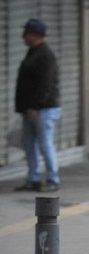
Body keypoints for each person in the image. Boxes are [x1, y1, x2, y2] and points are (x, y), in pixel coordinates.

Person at [14, 19, 61, 192]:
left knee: (45, 144)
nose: (23, 36)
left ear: (36, 35)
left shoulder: (44, 55)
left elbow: (46, 84)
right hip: (32, 109)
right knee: (29, 143)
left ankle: (53, 179)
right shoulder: (33, 53)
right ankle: (34, 178)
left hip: (43, 109)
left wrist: (35, 106)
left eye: (27, 33)